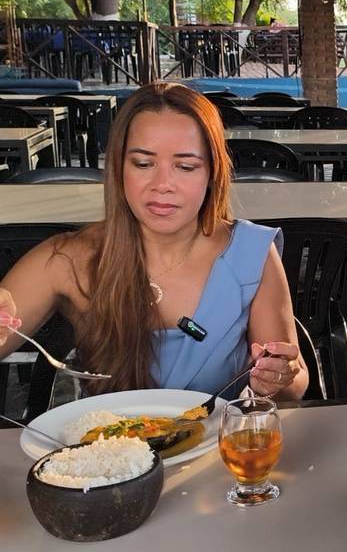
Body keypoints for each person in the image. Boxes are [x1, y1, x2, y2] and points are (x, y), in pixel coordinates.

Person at [0, 82, 308, 401]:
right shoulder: (67, 258)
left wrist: (280, 376)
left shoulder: (252, 252)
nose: (162, 185)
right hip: (108, 448)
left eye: (185, 166)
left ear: (212, 173)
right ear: (119, 169)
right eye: (143, 164)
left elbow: (294, 382)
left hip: (219, 447)